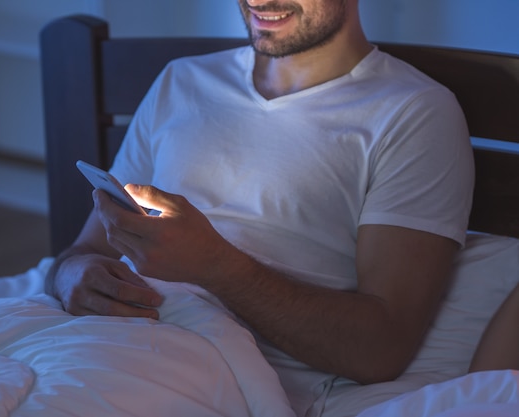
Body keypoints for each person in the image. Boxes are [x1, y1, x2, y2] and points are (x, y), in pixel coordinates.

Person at [45, 0, 474, 408]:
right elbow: (87, 250)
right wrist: (71, 276)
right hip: (97, 341)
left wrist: (213, 264)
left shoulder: (412, 112)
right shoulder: (182, 81)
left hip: (206, 375)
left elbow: (379, 349)